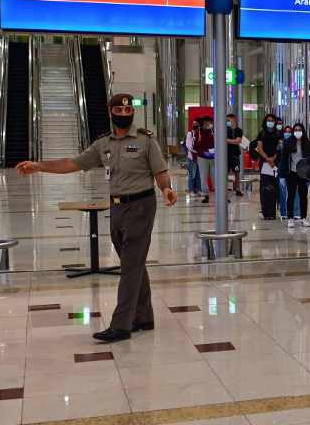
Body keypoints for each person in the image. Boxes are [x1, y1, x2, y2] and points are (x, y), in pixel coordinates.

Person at [15, 93, 177, 343]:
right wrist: (39, 166)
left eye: (128, 111)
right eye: (119, 111)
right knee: (132, 262)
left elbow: (161, 171)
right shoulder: (103, 144)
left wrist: (166, 188)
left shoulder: (146, 141)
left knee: (130, 266)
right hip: (116, 208)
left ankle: (121, 325)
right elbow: (72, 163)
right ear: (110, 111)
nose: (124, 115)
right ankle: (144, 316)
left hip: (141, 206)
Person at [282, 122, 310, 229]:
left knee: (303, 196)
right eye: (295, 130)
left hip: (303, 173)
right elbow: (284, 159)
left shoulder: (307, 144)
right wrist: (283, 173)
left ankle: (303, 217)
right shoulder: (288, 143)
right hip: (292, 172)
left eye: (299, 130)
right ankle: (290, 218)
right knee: (290, 195)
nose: (297, 132)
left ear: (303, 131)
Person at [255, 114, 282, 220]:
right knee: (265, 187)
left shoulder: (278, 134)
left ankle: (273, 211)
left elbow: (279, 148)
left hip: (275, 163)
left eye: (272, 120)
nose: (270, 122)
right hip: (265, 163)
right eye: (268, 120)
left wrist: (273, 159)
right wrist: (267, 159)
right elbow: (259, 148)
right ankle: (265, 211)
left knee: (274, 186)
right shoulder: (261, 133)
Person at [195, 116, 216, 204]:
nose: (208, 124)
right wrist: (203, 152)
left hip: (214, 157)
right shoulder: (198, 133)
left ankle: (221, 195)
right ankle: (205, 195)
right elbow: (195, 146)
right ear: (203, 124)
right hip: (202, 158)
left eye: (210, 123)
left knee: (216, 176)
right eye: (206, 123)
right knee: (204, 177)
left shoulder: (214, 132)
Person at [227, 113, 244, 196]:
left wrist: (226, 140)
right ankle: (225, 188)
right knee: (225, 172)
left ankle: (237, 188)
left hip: (235, 155)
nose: (228, 122)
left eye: (229, 120)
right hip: (225, 155)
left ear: (234, 120)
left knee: (236, 172)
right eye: (227, 120)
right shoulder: (225, 130)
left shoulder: (238, 130)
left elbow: (238, 141)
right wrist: (231, 141)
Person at [185, 119, 201, 195]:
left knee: (198, 174)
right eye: (194, 124)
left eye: (197, 124)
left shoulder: (200, 134)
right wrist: (194, 151)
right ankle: (191, 189)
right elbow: (188, 145)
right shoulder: (190, 134)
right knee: (192, 173)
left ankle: (198, 189)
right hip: (191, 157)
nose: (196, 126)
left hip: (199, 157)